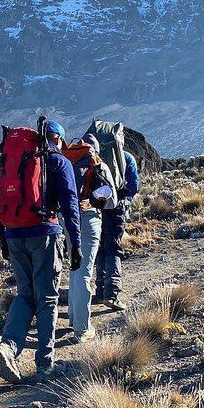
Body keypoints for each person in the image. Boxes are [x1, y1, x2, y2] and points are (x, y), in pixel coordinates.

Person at [0, 120, 81, 383]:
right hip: (44, 235)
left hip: (14, 234)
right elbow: (70, 206)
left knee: (24, 295)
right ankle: (45, 364)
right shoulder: (57, 161)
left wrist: (5, 241)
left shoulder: (14, 159)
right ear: (59, 140)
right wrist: (74, 242)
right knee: (47, 299)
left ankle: (8, 347)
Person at [66, 133, 116, 341]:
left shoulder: (65, 161)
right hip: (89, 219)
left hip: (67, 220)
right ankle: (82, 327)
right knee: (84, 272)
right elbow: (111, 202)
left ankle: (72, 316)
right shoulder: (99, 165)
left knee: (74, 267)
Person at [95, 147, 139, 311]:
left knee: (99, 247)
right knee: (113, 247)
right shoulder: (127, 157)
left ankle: (99, 290)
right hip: (117, 206)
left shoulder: (95, 156)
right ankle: (112, 294)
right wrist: (126, 200)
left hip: (97, 205)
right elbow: (133, 184)